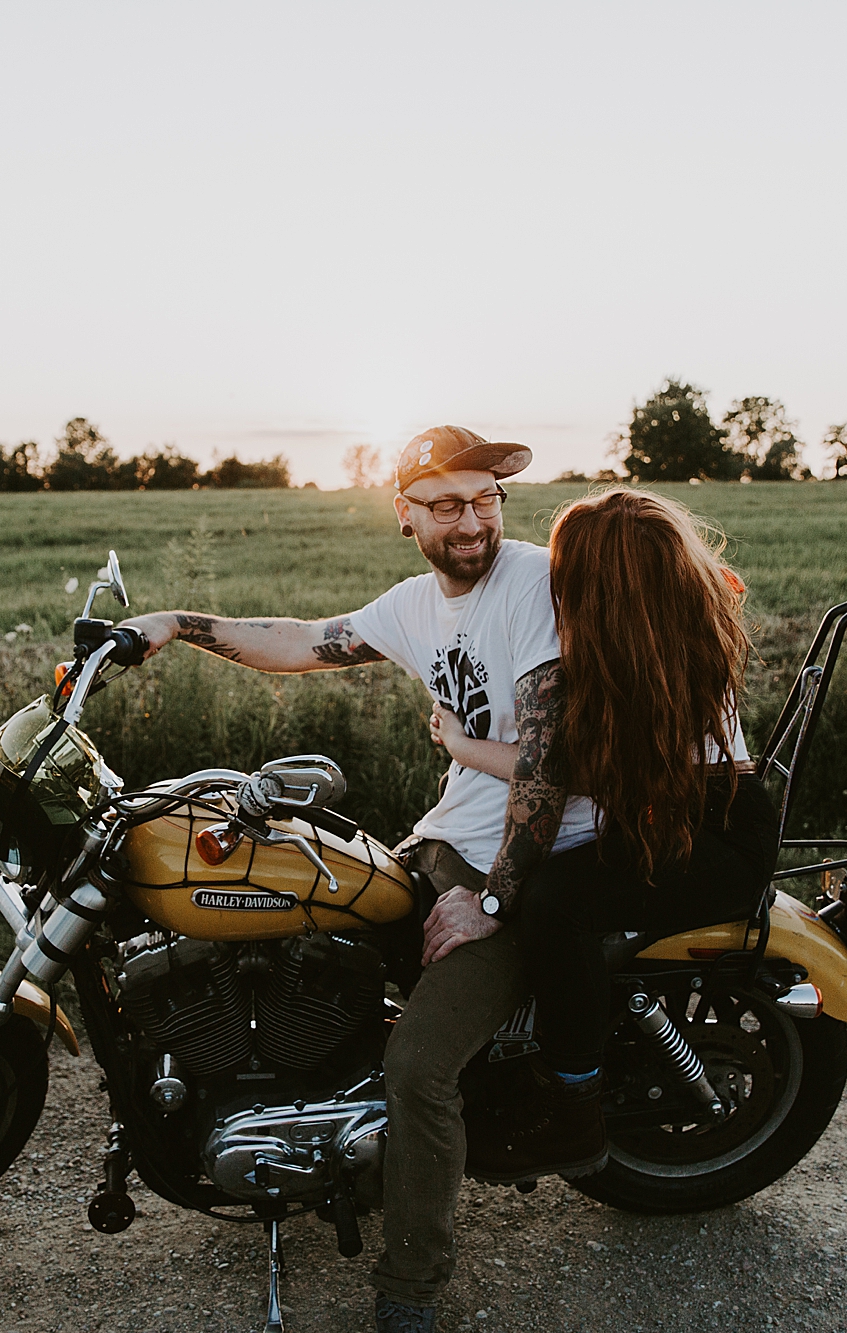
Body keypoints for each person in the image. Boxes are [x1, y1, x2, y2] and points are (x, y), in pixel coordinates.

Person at [121, 425, 596, 1333]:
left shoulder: (531, 582)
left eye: (485, 498)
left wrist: (495, 898)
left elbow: (551, 760)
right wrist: (175, 625)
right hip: (445, 841)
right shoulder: (417, 604)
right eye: (447, 504)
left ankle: (411, 1283)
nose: (473, 521)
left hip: (527, 863)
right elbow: (304, 641)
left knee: (417, 1067)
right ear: (404, 514)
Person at [427, 487, 776, 1180]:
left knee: (557, 902)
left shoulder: (663, 664)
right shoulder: (658, 630)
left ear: (609, 587)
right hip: (676, 822)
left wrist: (463, 746)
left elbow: (574, 773)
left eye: (570, 572)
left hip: (716, 842)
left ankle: (570, 1105)